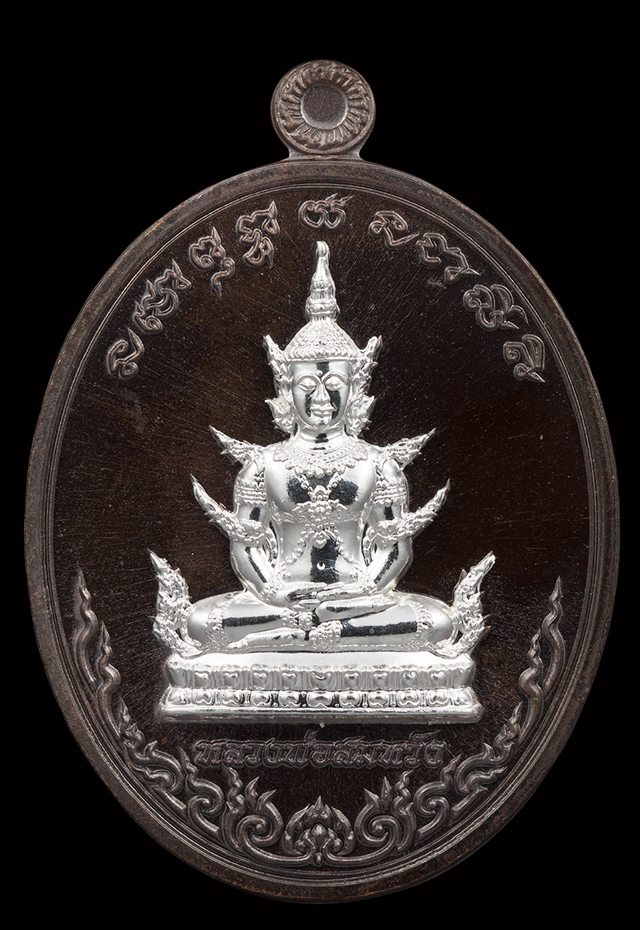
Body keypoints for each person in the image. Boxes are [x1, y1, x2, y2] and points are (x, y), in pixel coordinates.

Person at [183, 241, 484, 656]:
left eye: (334, 384)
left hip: (358, 600)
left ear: (355, 388)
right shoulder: (264, 465)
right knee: (202, 621)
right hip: (281, 601)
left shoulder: (377, 464)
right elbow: (246, 546)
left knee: (436, 621)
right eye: (308, 385)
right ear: (287, 388)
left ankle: (306, 637)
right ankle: (312, 633)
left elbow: (394, 548)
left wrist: (356, 597)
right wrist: (275, 593)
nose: (322, 398)